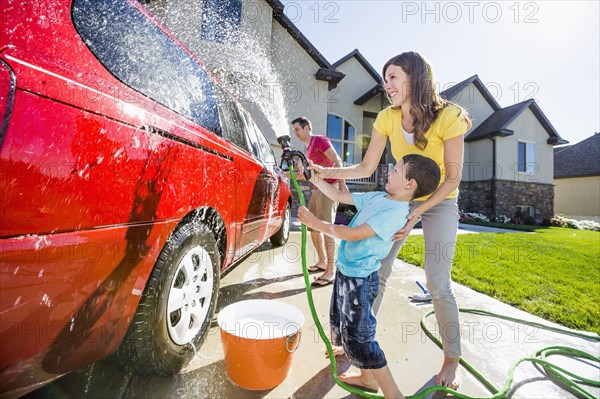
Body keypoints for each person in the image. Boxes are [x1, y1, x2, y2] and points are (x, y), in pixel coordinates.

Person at [309, 51, 472, 389]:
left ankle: (451, 359)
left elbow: (452, 178)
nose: (387, 85)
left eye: (394, 77)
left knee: (438, 282)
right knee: (376, 272)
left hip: (440, 200)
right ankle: (358, 344)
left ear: (415, 78)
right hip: (401, 201)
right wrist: (327, 171)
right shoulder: (386, 117)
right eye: (385, 79)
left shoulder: (450, 116)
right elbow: (366, 168)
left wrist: (417, 214)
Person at [298, 154, 441, 398]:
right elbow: (339, 196)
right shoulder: (378, 197)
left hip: (361, 282)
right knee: (341, 321)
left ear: (410, 184)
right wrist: (316, 179)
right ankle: (354, 358)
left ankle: (392, 392)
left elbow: (354, 234)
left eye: (396, 170)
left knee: (362, 340)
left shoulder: (396, 213)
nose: (389, 172)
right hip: (347, 272)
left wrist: (317, 223)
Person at [291, 116, 347, 286]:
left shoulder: (319, 141)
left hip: (329, 188)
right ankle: (322, 262)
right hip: (317, 189)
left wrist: (342, 185)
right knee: (314, 227)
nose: (295, 133)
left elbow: (337, 160)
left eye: (298, 129)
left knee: (326, 228)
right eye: (294, 130)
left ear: (307, 128)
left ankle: (331, 270)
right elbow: (312, 173)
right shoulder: (307, 149)